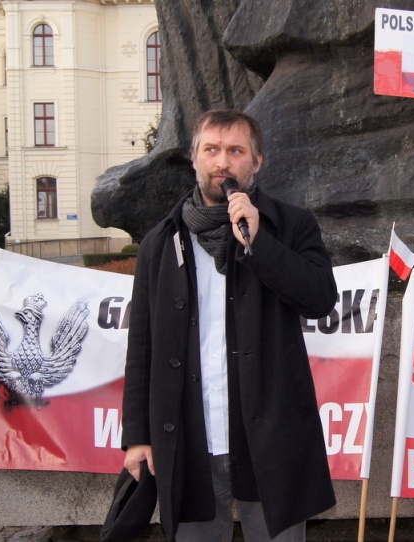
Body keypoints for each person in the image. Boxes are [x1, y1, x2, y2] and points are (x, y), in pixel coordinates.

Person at [122, 109, 337, 541]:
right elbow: (141, 343)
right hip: (188, 437)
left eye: (236, 151)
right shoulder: (161, 242)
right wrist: (137, 435)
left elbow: (319, 300)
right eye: (212, 150)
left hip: (270, 437)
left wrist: (261, 242)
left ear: (256, 162)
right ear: (195, 158)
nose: (223, 162)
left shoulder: (291, 226)